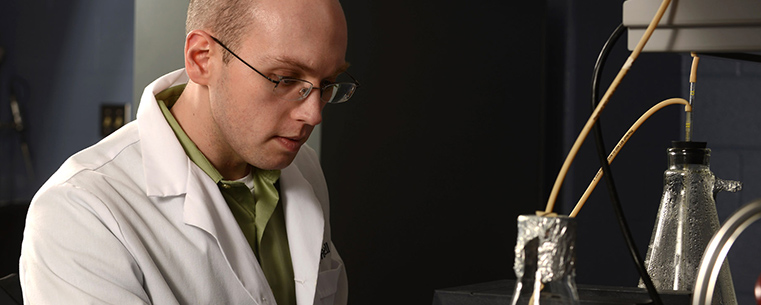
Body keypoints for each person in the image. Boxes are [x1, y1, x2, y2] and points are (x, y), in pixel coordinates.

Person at [19, 0, 359, 303]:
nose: (313, 114)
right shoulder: (80, 212)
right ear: (202, 58)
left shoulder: (305, 169)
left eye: (328, 84)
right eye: (285, 79)